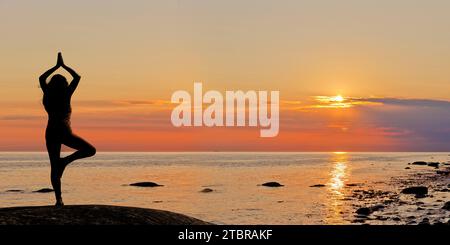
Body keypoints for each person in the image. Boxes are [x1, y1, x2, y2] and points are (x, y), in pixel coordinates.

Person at [39, 52, 96, 206]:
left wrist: (55, 67)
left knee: (54, 166)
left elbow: (41, 79)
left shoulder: (48, 94)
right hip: (64, 132)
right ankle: (65, 161)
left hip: (51, 132)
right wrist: (63, 66)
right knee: (90, 150)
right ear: (64, 84)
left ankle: (59, 199)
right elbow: (77, 77)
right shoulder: (66, 93)